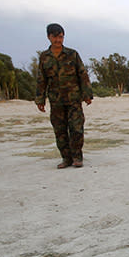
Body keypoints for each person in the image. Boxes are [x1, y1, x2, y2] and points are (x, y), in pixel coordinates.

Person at [35, 23, 93, 169]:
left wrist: (87, 94)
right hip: (56, 101)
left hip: (73, 99)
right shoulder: (44, 57)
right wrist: (40, 99)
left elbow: (82, 75)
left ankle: (77, 157)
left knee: (76, 129)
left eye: (60, 37)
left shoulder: (72, 54)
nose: (58, 40)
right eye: (55, 37)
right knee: (60, 131)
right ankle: (66, 158)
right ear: (49, 37)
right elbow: (41, 79)